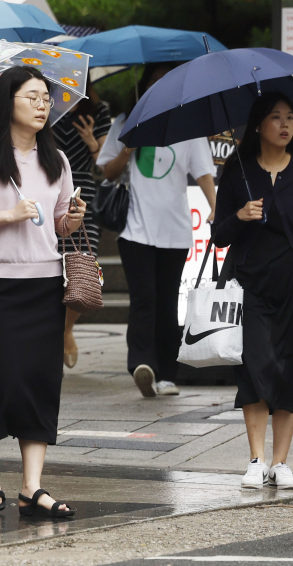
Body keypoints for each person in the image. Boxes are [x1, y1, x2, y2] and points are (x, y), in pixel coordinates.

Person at [0, 66, 84, 517]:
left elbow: (58, 224)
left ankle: (32, 486)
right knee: (5, 379)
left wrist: (72, 219)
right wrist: (9, 214)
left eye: (46, 98)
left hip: (45, 283)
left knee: (41, 381)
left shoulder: (57, 160)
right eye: (32, 97)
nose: (43, 105)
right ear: (9, 103)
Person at [211, 93, 293, 491]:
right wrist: (240, 215)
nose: (285, 125)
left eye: (290, 118)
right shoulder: (238, 170)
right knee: (253, 368)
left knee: (290, 370)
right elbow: (218, 235)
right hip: (248, 284)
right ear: (258, 125)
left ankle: (280, 463)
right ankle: (256, 460)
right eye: (275, 118)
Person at [96, 64, 217, 398]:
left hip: (175, 231)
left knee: (166, 303)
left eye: (169, 82)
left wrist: (214, 205)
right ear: (145, 85)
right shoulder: (126, 122)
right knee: (144, 299)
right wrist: (128, 147)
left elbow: (203, 171)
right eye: (155, 81)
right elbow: (108, 172)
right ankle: (141, 364)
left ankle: (166, 375)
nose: (162, 87)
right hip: (135, 230)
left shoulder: (189, 125)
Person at [53, 96, 111, 369]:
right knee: (54, 269)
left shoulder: (97, 110)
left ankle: (66, 329)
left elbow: (106, 166)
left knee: (85, 267)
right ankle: (55, 331)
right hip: (50, 190)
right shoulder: (46, 107)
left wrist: (91, 142)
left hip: (82, 193)